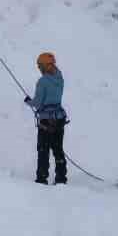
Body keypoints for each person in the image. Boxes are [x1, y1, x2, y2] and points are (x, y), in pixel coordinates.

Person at [24, 52, 68, 185]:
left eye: (40, 66)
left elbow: (37, 103)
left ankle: (42, 178)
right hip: (59, 119)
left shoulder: (42, 82)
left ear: (45, 66)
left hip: (46, 122)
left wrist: (29, 101)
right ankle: (61, 178)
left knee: (43, 150)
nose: (39, 69)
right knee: (58, 149)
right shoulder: (60, 78)